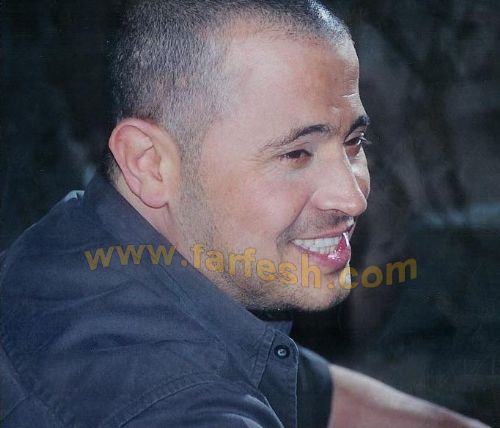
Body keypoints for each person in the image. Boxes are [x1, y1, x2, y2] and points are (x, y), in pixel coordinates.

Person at [0, 1, 489, 427]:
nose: (353, 198)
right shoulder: (176, 405)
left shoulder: (91, 238)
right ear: (148, 162)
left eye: (353, 141)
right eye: (296, 154)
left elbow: (317, 394)